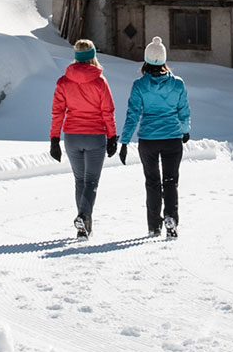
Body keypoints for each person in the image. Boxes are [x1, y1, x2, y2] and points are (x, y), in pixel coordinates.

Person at [119, 37, 191, 239]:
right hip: (172, 139)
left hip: (148, 140)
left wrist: (124, 142)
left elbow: (133, 114)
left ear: (146, 60)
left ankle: (154, 226)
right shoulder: (177, 84)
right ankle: (171, 218)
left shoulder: (139, 85)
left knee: (152, 182)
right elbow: (183, 110)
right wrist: (185, 130)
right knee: (170, 181)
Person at [49, 38, 118, 240]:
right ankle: (83, 216)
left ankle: (83, 227)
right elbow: (108, 112)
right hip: (95, 136)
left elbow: (57, 112)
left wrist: (54, 138)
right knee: (91, 181)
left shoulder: (63, 81)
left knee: (80, 180)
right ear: (93, 56)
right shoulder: (100, 82)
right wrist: (112, 136)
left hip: (72, 136)